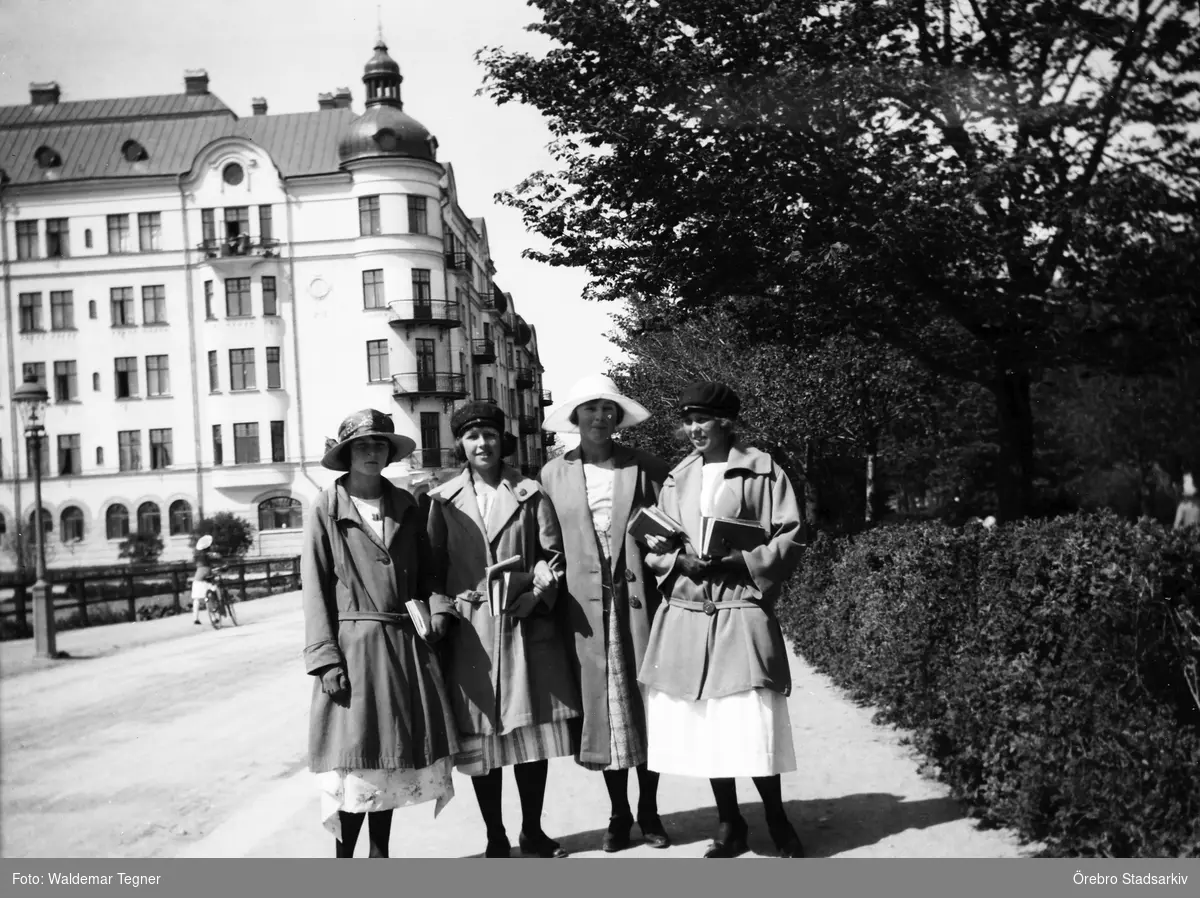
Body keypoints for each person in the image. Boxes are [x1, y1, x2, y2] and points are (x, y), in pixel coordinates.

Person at [639, 382, 806, 858]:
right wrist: (673, 563)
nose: (693, 429)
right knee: (709, 723)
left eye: (703, 421)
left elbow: (790, 535)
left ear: (725, 423)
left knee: (751, 717)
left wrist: (741, 561)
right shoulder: (676, 477)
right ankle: (730, 823)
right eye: (688, 421)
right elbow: (657, 544)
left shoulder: (762, 470)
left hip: (738, 607)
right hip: (690, 612)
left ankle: (777, 817)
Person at [425, 401, 580, 858]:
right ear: (461, 445)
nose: (482, 444)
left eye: (490, 435)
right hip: (471, 634)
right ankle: (495, 835)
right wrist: (444, 607)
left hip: (523, 629)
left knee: (529, 739)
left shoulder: (530, 493)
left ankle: (532, 831)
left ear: (501, 440)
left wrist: (536, 594)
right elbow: (434, 571)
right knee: (483, 744)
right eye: (472, 437)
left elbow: (554, 558)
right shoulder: (441, 501)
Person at [302, 408, 459, 858]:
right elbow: (314, 586)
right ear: (347, 454)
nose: (372, 452)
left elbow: (430, 575)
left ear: (389, 454)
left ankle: (380, 857)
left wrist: (439, 611)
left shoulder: (407, 506)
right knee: (355, 759)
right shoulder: (326, 508)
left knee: (386, 761)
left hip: (403, 645)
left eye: (379, 445)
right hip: (353, 649)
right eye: (362, 445)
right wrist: (325, 658)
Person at [539, 375, 672, 852]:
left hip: (641, 605)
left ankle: (650, 811)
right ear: (575, 418)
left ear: (618, 417)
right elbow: (547, 543)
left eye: (607, 409)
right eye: (589, 409)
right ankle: (618, 814)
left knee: (647, 707)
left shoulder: (647, 467)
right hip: (585, 614)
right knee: (606, 715)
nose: (598, 417)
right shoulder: (553, 475)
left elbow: (671, 531)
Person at [190, 535, 217, 625]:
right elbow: (209, 568)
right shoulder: (207, 556)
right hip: (205, 579)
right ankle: (213, 618)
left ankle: (195, 618)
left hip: (198, 579)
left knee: (197, 599)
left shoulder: (198, 557)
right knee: (210, 597)